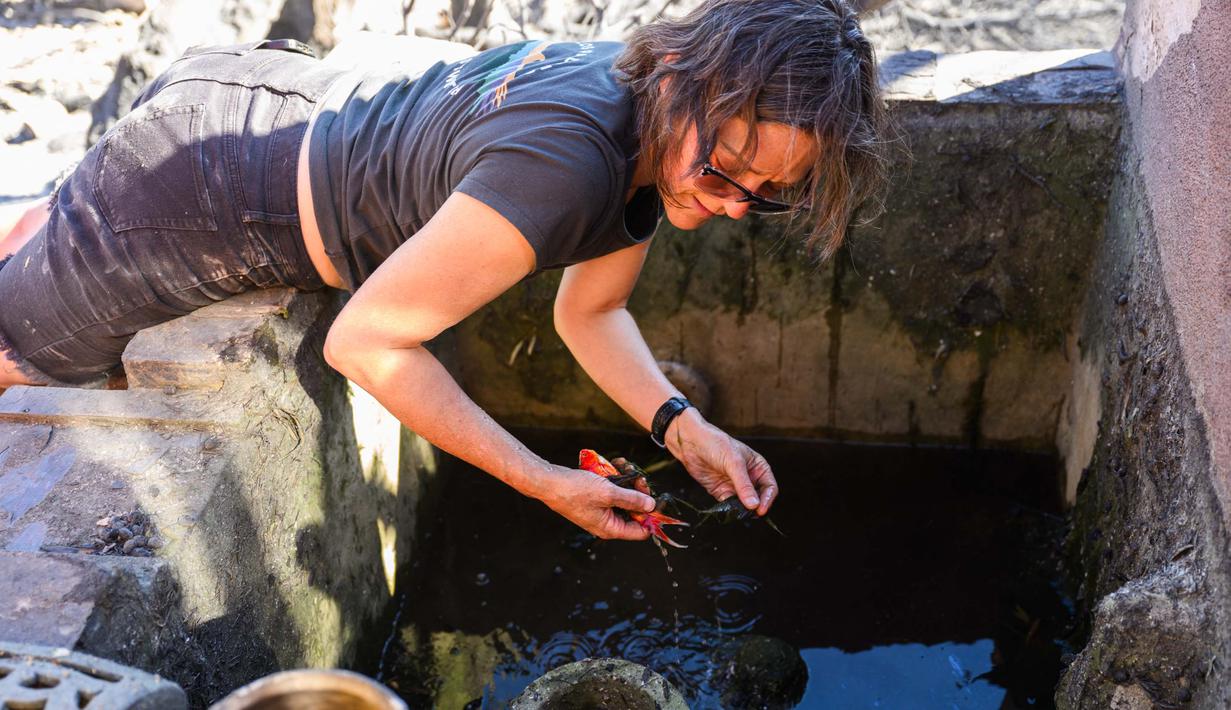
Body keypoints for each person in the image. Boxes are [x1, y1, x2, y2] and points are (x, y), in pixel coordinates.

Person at [0, 0, 884, 542]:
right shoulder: (568, 169)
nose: (731, 201)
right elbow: (368, 341)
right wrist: (540, 480)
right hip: (197, 193)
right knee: (22, 357)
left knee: (48, 241)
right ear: (692, 74)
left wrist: (681, 427)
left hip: (252, 98)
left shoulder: (639, 116)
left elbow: (594, 312)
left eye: (766, 194)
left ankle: (50, 232)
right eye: (726, 166)